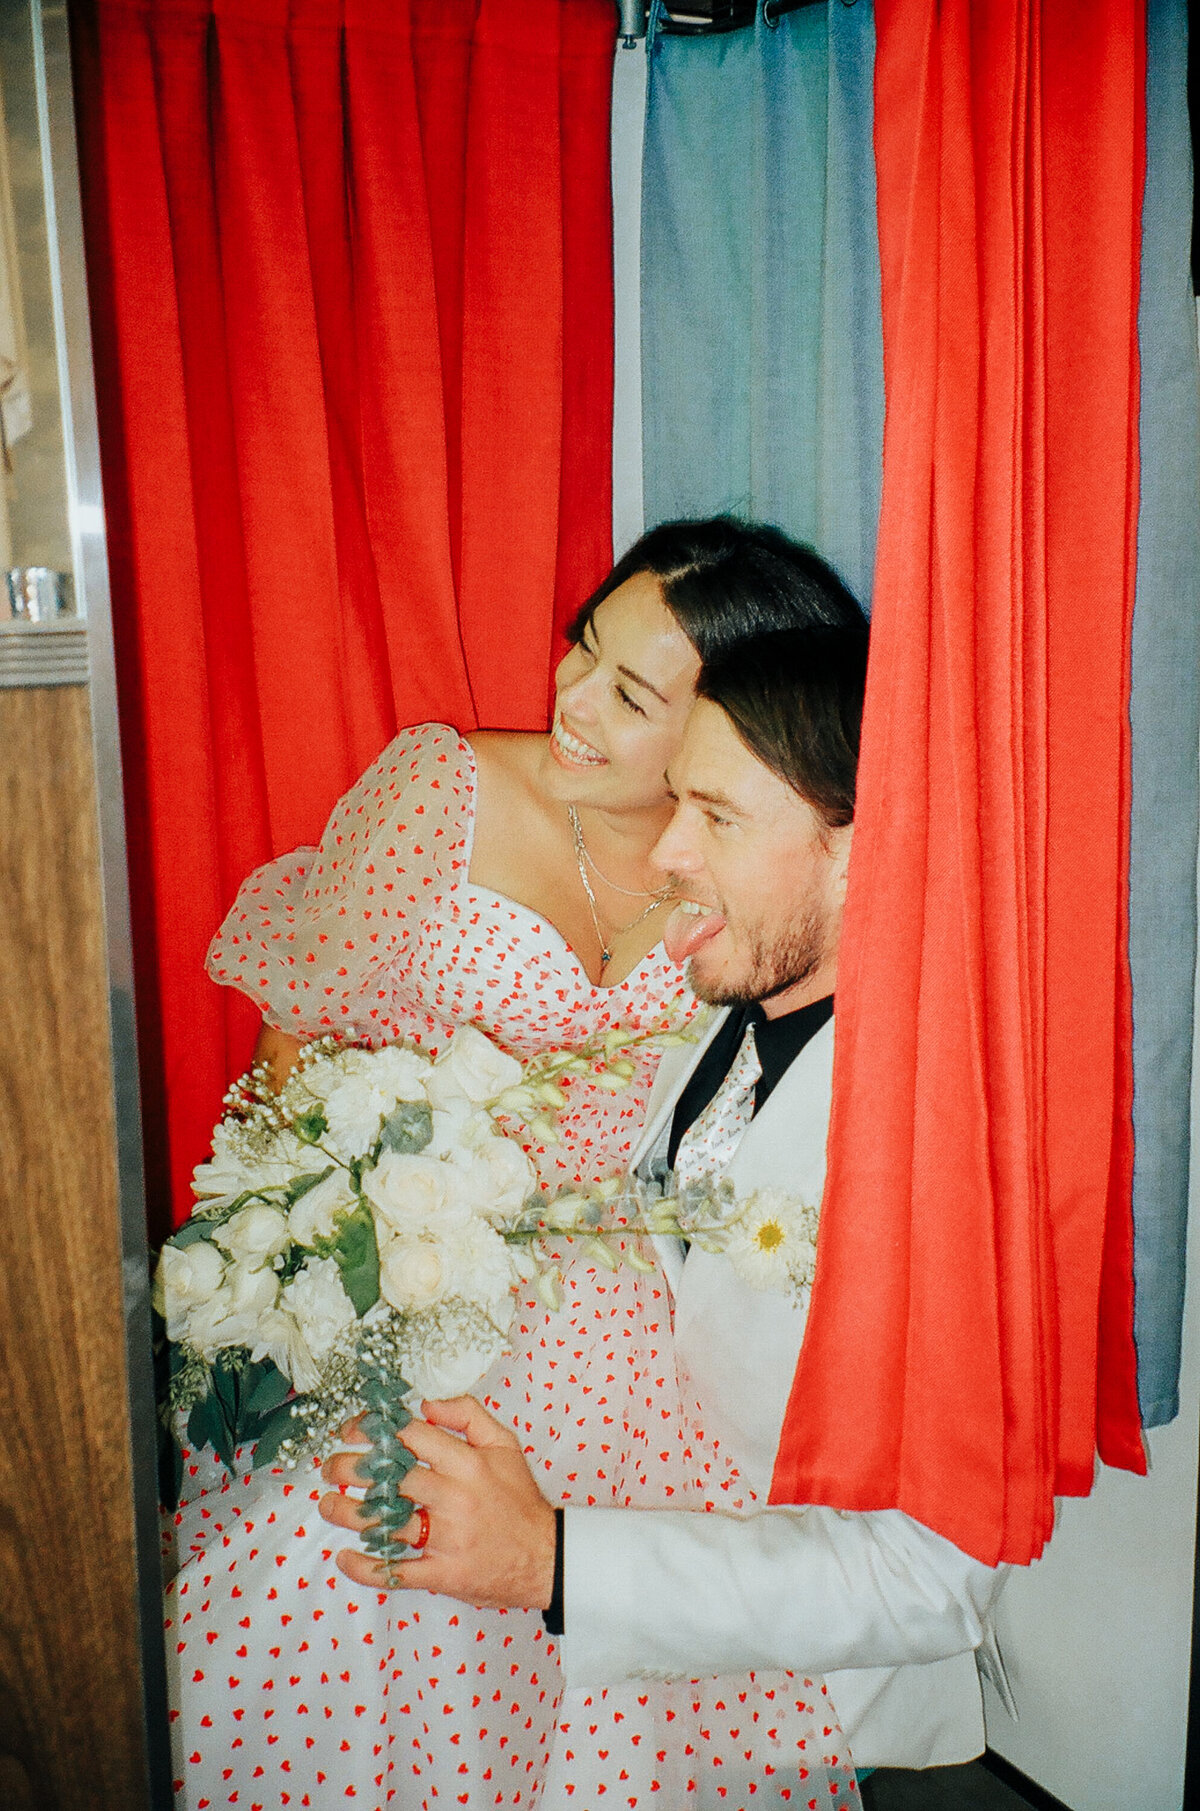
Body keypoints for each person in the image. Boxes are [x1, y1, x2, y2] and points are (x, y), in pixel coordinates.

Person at [165, 520, 869, 1809]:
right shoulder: (447, 788)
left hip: (627, 1311)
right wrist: (285, 1255)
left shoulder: (749, 872)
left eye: (632, 694)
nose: (575, 704)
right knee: (355, 1557)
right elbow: (293, 1042)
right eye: (582, 651)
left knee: (600, 1659)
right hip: (407, 1276)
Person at [320, 620, 1008, 1786]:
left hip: (768, 1674)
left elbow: (927, 1578)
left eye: (720, 818)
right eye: (678, 803)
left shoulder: (942, 1152)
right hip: (615, 1540)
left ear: (867, 844)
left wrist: (553, 1558)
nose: (666, 855)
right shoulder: (724, 1008)